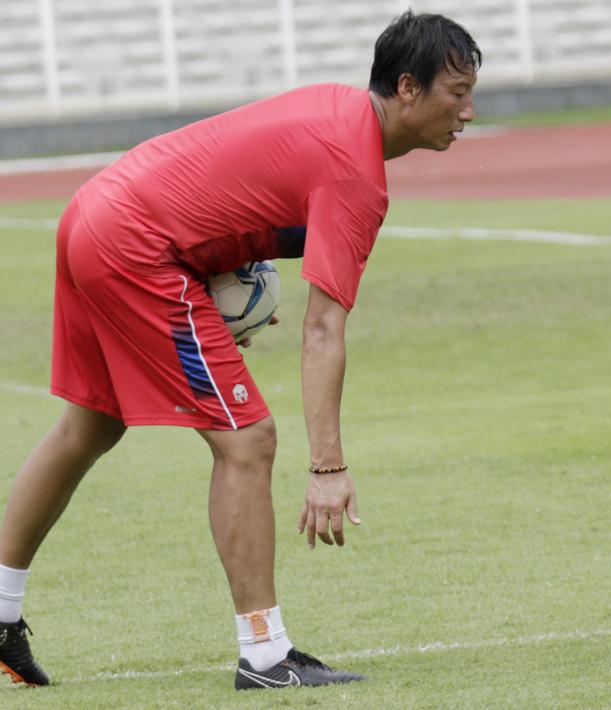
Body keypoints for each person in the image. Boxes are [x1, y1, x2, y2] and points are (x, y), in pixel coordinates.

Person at [0, 9, 480, 689]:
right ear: (407, 88)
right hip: (134, 245)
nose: (468, 111)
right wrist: (327, 468)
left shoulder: (334, 110)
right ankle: (263, 655)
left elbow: (235, 200)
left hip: (94, 212)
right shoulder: (356, 174)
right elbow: (322, 329)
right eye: (456, 93)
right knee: (247, 439)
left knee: (90, 425)